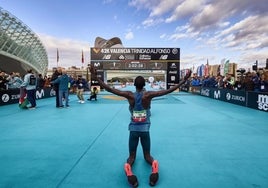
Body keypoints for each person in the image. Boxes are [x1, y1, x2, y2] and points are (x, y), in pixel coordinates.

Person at [90, 67, 191, 187]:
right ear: (144, 85)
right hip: (145, 130)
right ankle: (154, 168)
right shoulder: (148, 95)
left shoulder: (129, 95)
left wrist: (96, 77)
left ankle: (129, 169)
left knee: (131, 156)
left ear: (134, 85)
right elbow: (169, 90)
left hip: (133, 130)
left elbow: (109, 89)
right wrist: (184, 80)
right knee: (147, 156)